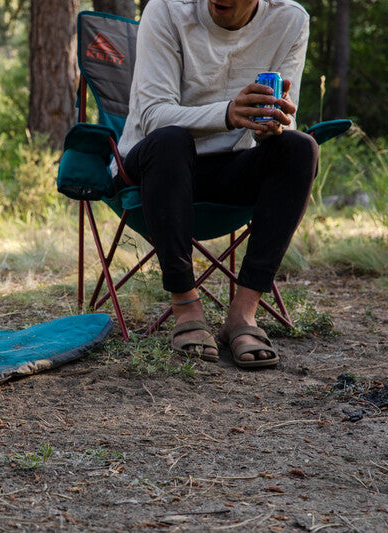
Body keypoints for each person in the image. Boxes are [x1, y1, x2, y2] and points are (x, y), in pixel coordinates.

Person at [116, 0, 318, 367]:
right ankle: (186, 309)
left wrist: (273, 123)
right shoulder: (166, 10)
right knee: (171, 140)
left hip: (230, 168)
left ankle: (243, 315)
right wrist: (228, 113)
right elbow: (153, 116)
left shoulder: (290, 20)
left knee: (299, 148)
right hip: (157, 165)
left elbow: (285, 120)